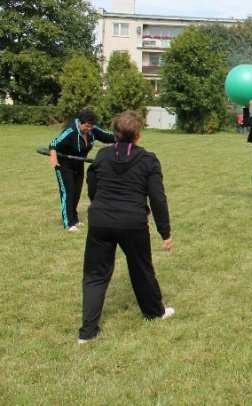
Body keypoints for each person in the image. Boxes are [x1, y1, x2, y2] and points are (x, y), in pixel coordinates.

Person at [78, 111, 174, 344]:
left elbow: (93, 187)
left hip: (102, 219)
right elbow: (158, 198)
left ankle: (88, 333)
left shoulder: (107, 155)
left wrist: (99, 204)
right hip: (131, 221)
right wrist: (166, 232)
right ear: (138, 134)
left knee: (95, 275)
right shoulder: (145, 159)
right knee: (141, 268)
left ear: (115, 134)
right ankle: (154, 312)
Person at [48, 108, 114, 232]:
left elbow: (107, 137)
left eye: (91, 127)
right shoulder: (70, 131)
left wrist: (123, 138)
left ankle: (75, 219)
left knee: (77, 192)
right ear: (80, 122)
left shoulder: (92, 130)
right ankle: (68, 223)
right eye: (87, 126)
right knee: (68, 192)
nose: (89, 129)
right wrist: (53, 159)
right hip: (63, 165)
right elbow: (54, 144)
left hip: (78, 164)